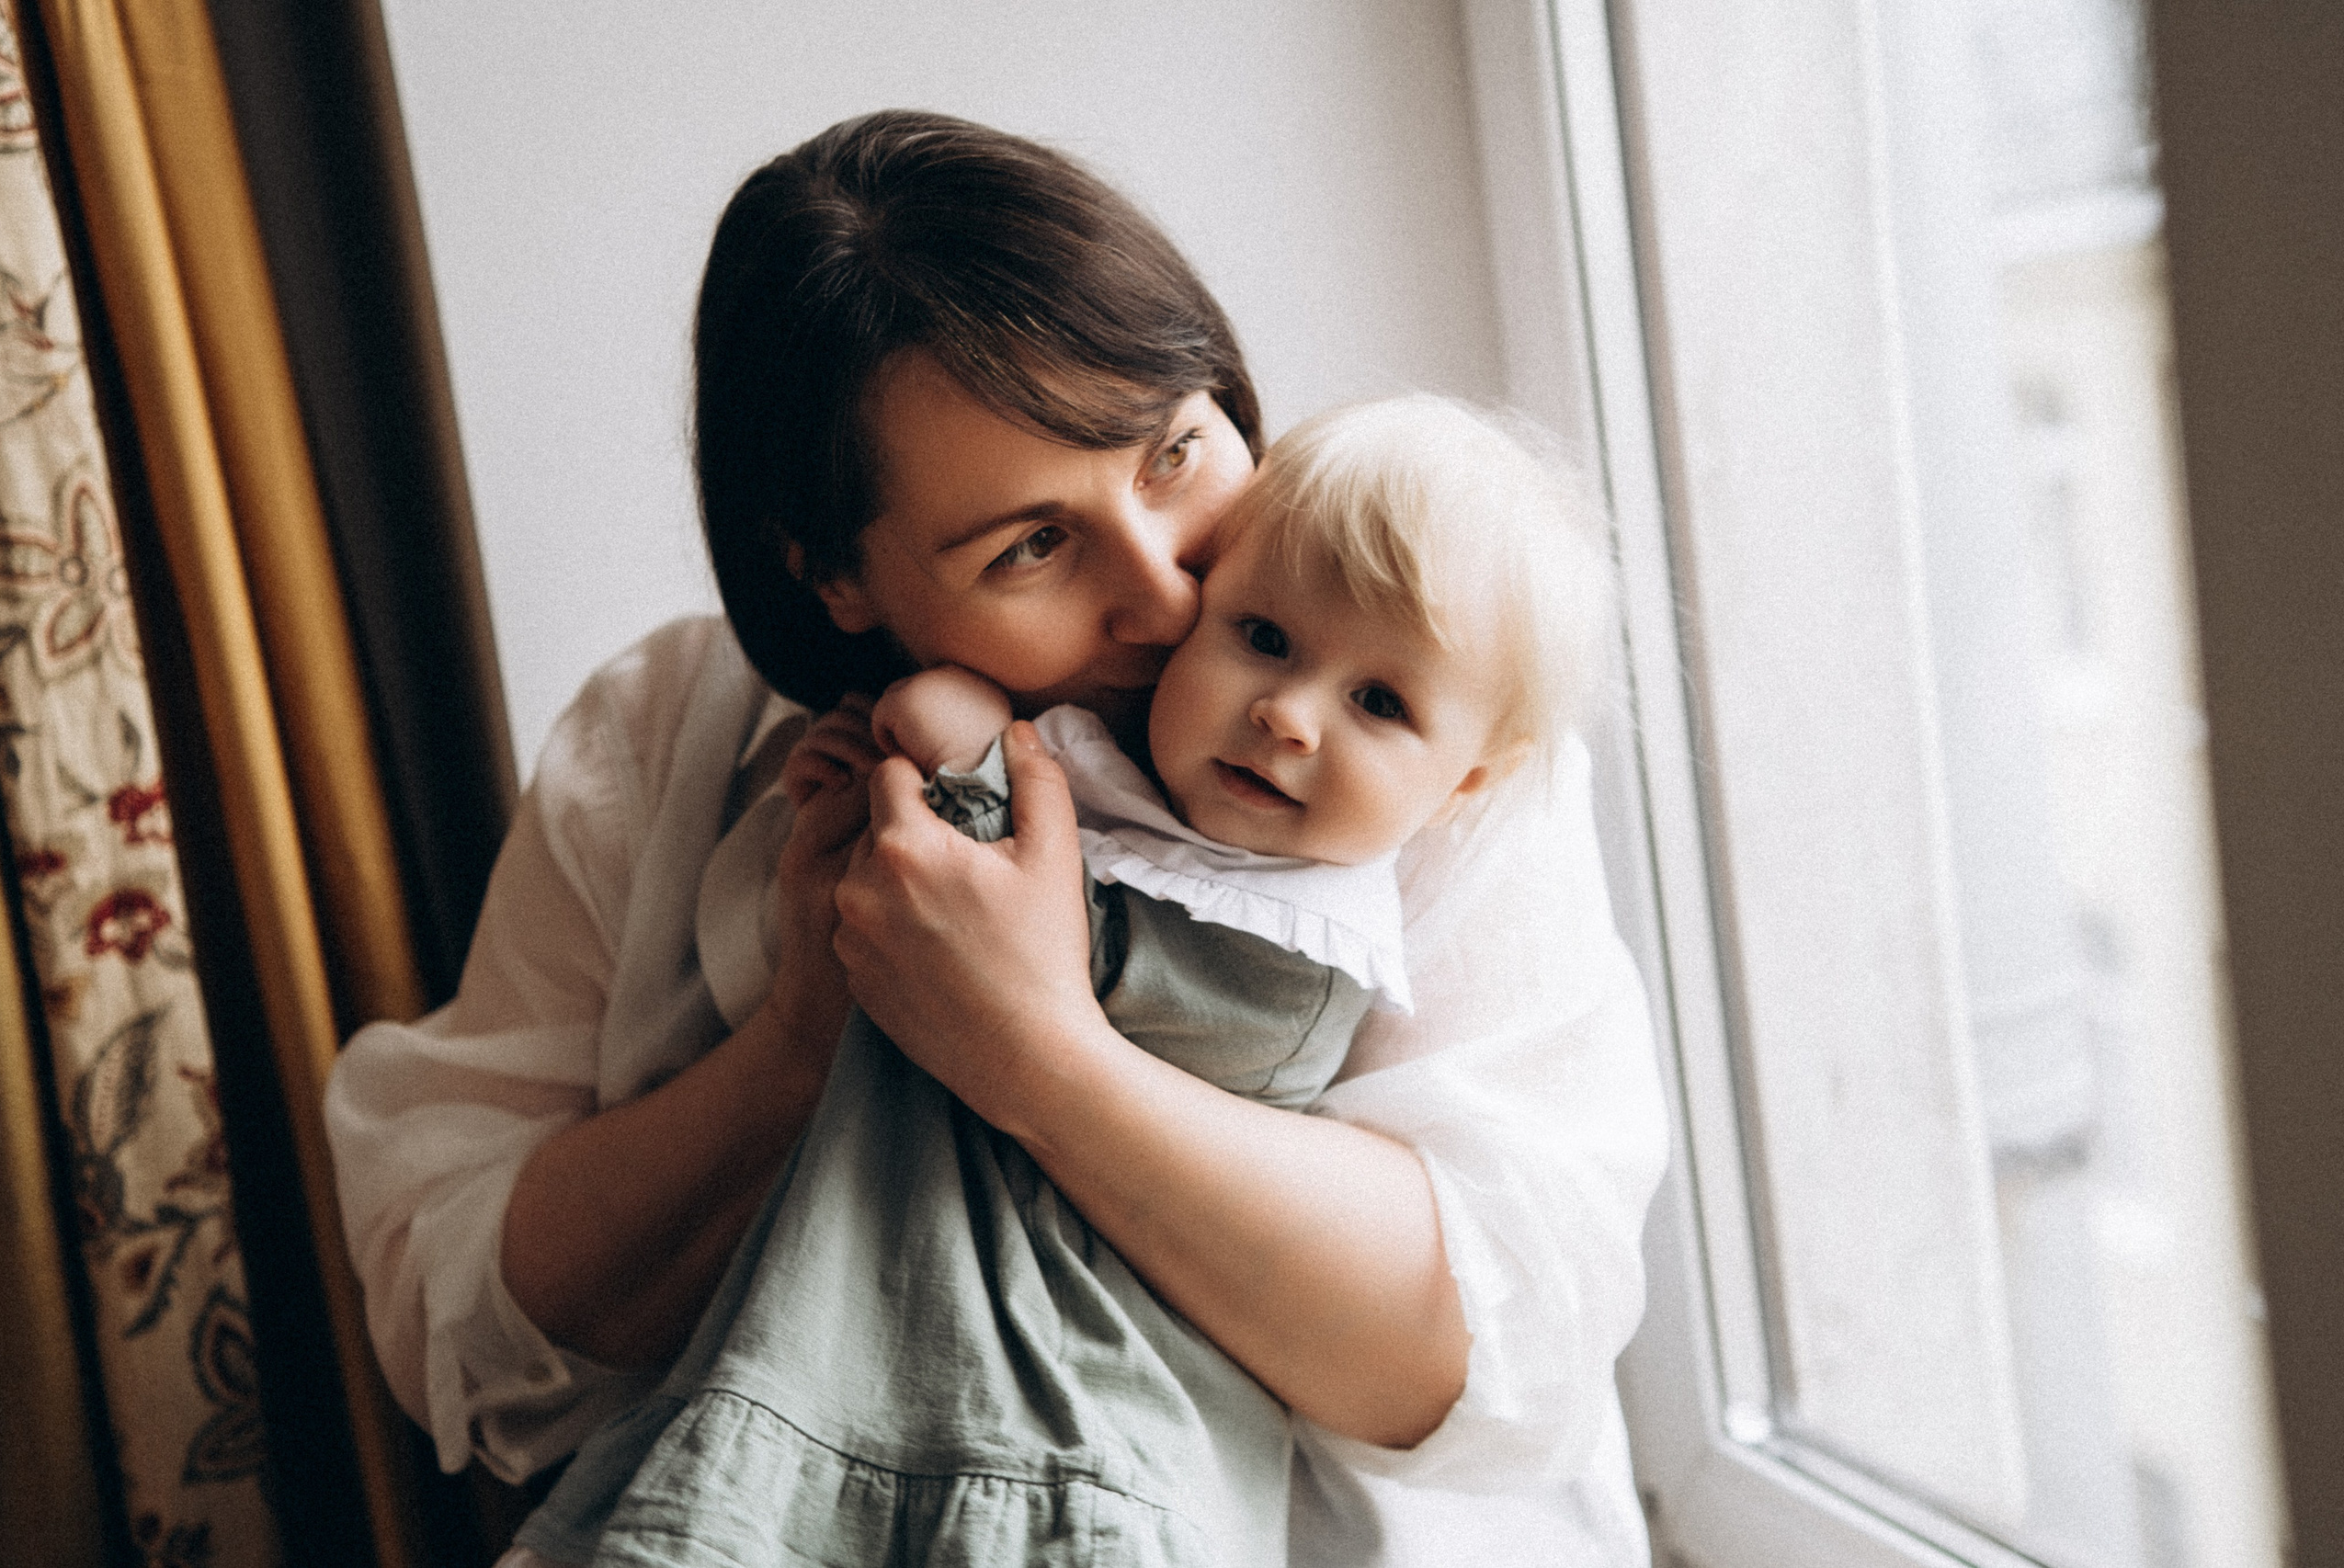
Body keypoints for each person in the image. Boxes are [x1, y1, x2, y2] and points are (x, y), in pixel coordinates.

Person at [323, 110, 1669, 1565]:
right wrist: (801, 1035)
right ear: (838, 576)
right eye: (1031, 546)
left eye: (1171, 454)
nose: (1161, 598)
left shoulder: (1415, 725)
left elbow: (1489, 1345)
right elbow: (461, 1316)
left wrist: (1041, 1053)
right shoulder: (667, 735)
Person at [511, 394, 1608, 1567]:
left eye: (1378, 703)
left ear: (1466, 781)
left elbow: (1026, 933)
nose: (1286, 714)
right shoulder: (686, 724)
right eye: (1263, 640)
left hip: (1086, 1442)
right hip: (873, 1372)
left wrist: (967, 767)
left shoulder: (1309, 922)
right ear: (844, 578)